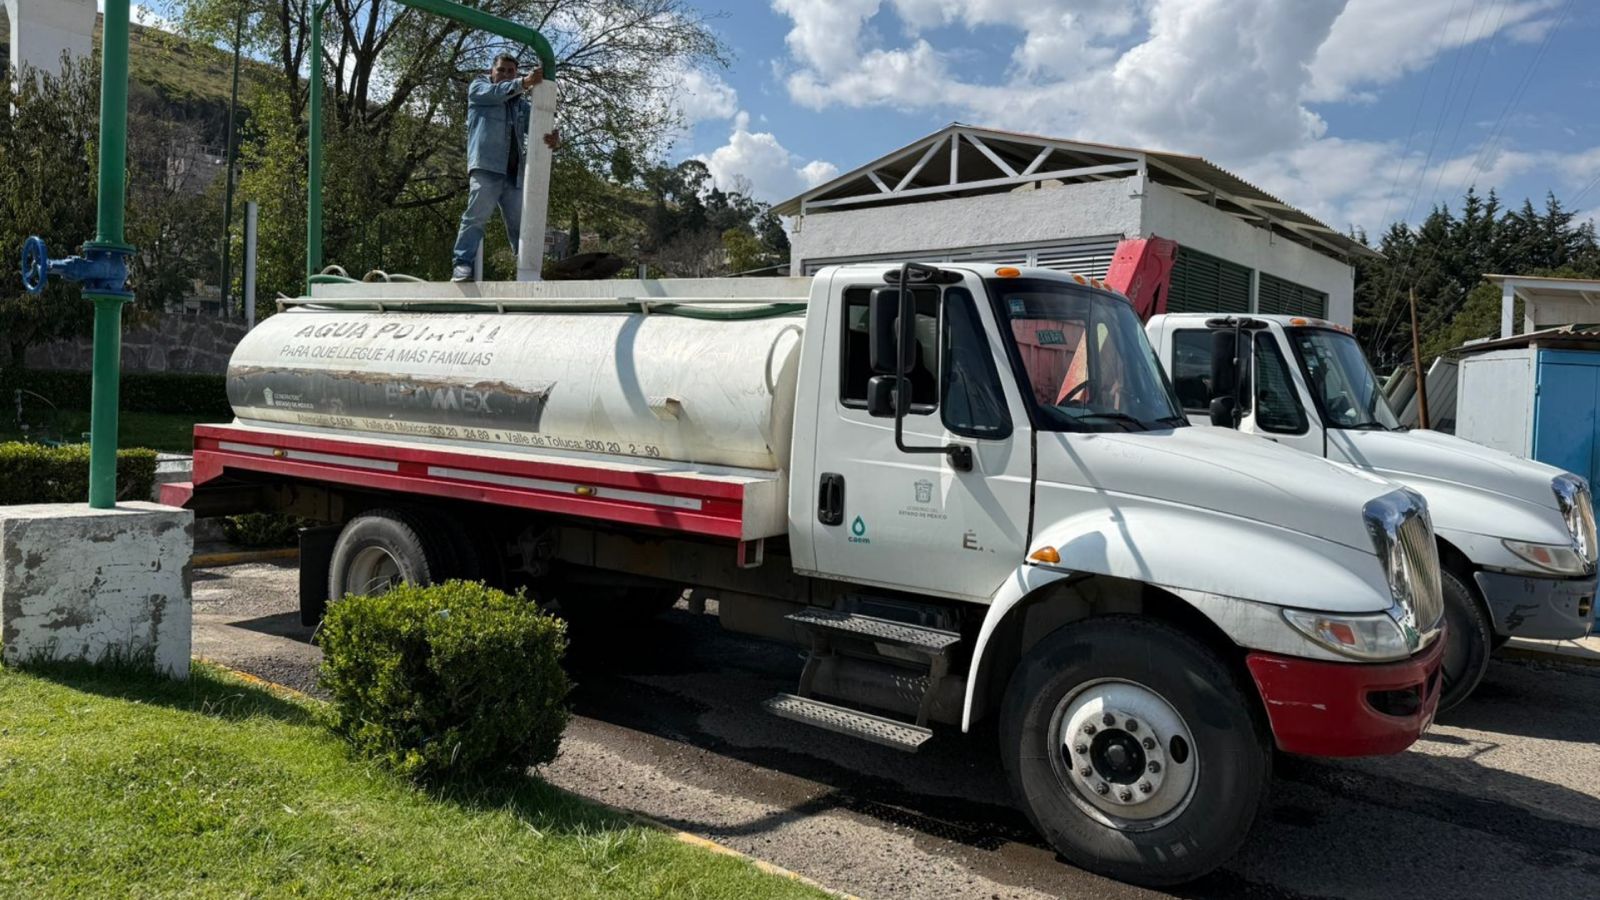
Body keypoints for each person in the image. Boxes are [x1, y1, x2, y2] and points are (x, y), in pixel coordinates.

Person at [450, 53, 560, 282]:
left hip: (514, 175)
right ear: (492, 71)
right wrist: (523, 83)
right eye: (501, 70)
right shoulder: (479, 88)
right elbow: (496, 93)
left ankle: (528, 274)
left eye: (511, 71)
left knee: (522, 226)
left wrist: (554, 138)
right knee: (476, 217)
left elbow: (541, 129)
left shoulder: (520, 104)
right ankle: (462, 265)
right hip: (487, 168)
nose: (506, 74)